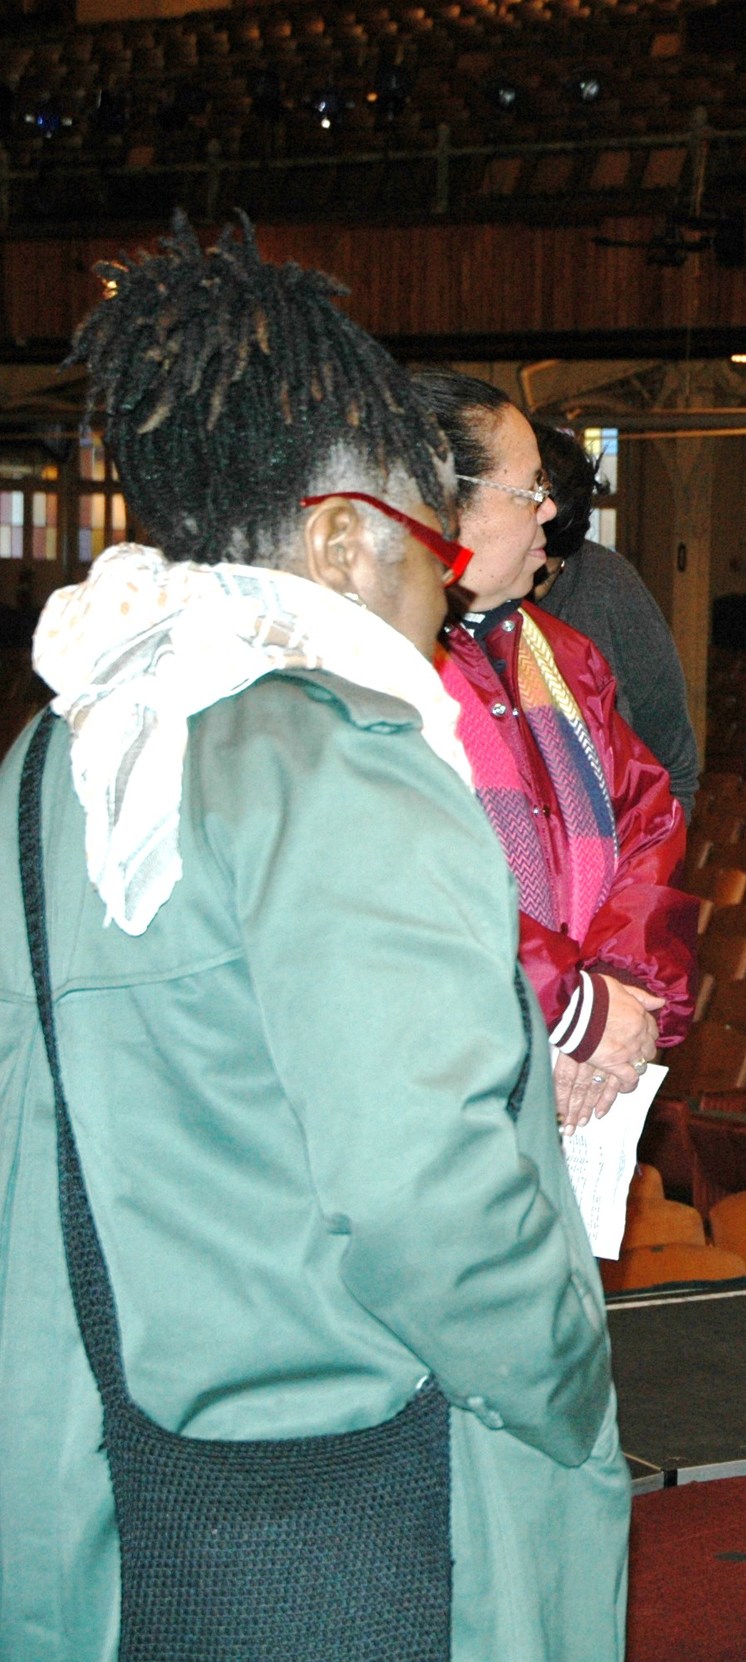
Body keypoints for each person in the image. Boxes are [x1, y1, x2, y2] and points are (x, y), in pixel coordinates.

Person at [0, 219, 626, 1660]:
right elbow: (427, 1199)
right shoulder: (338, 758)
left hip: (120, 1480)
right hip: (370, 1488)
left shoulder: (63, 744)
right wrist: (570, 1374)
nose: (448, 592)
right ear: (343, 539)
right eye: (432, 549)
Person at [413, 373, 697, 1131]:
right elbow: (420, 876)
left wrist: (614, 993)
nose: (550, 508)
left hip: (585, 1055)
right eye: (529, 487)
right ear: (448, 500)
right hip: (439, 1078)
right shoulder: (380, 666)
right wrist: (571, 1008)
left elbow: (651, 821)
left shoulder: (565, 655)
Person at [533, 420, 701, 810]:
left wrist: (648, 868)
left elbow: (674, 769)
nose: (531, 584)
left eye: (547, 571)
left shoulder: (609, 588)